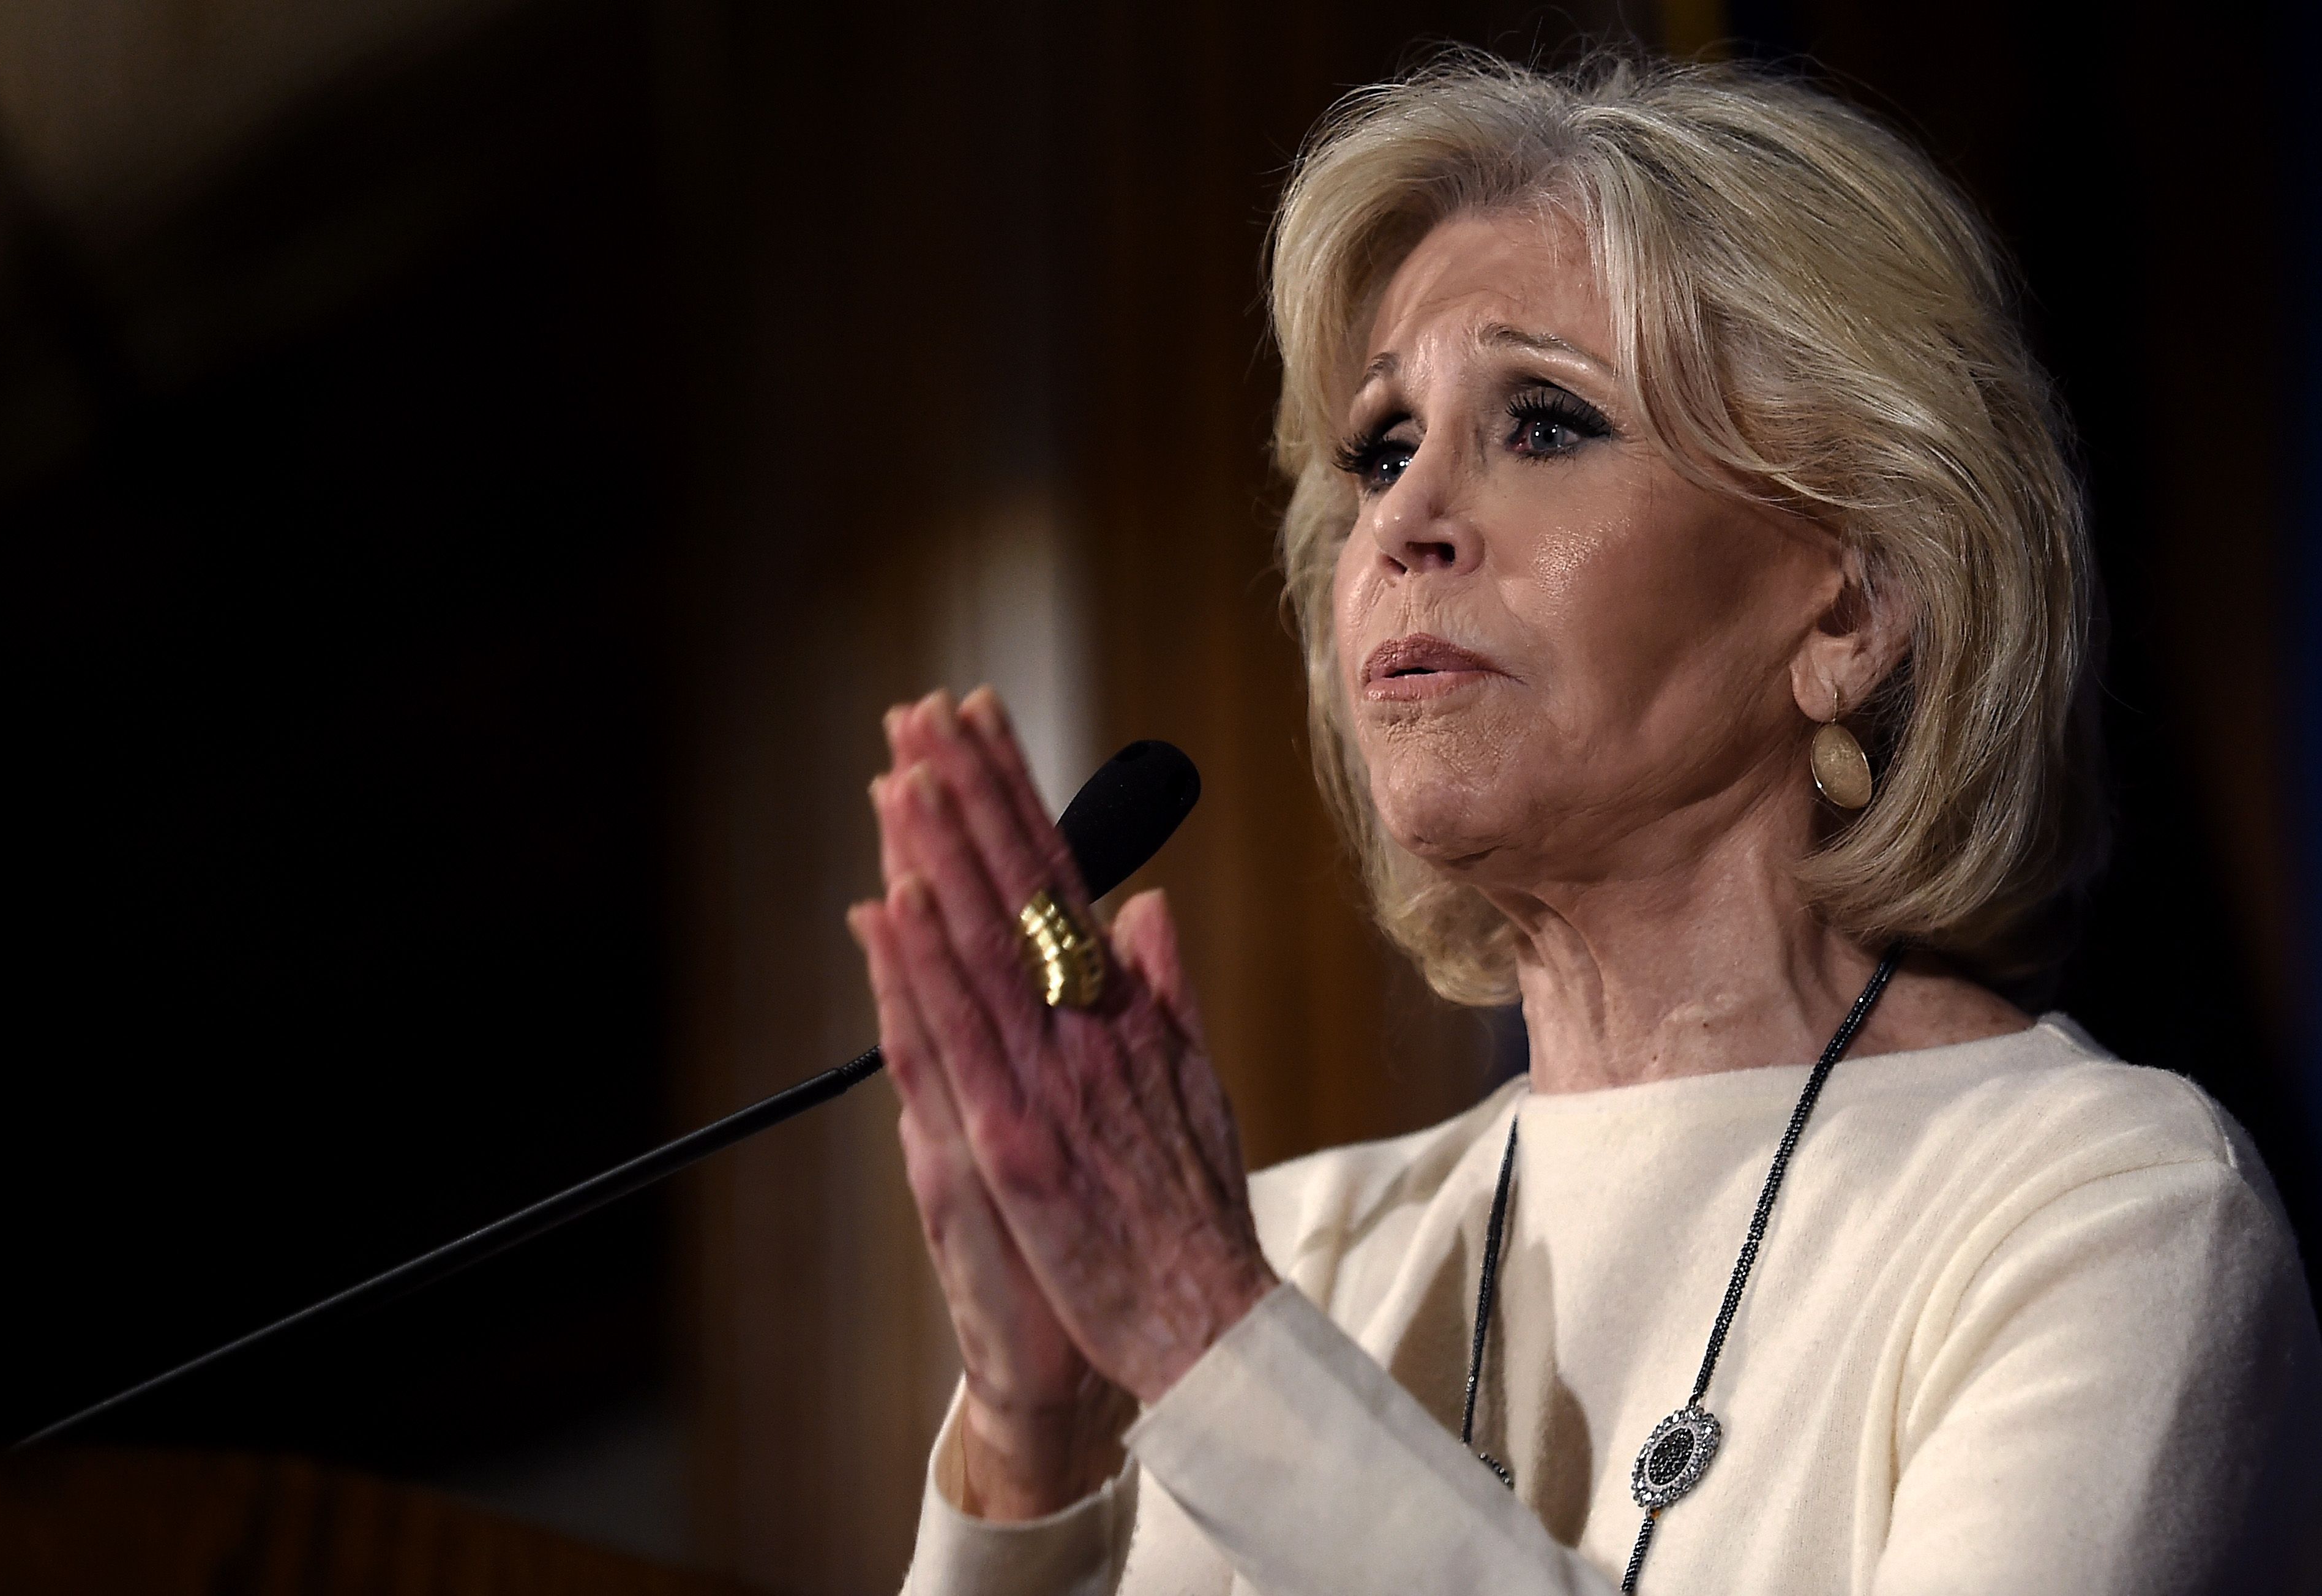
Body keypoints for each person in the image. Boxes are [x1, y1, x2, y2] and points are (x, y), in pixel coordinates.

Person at [844, 52, 2322, 1596]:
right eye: (1381, 448)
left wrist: (1208, 1340)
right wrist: (1031, 1449)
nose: (1401, 520)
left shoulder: (2104, 1217)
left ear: (1852, 601)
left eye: (1543, 423)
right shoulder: (1295, 1246)